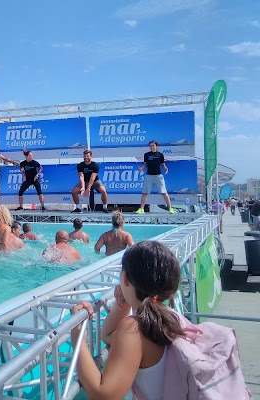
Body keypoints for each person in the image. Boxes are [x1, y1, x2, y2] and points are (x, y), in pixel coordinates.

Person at [70, 241, 184, 400]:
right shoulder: (171, 316)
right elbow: (108, 336)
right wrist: (124, 302)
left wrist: (77, 334)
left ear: (124, 278)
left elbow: (102, 395)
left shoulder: (134, 328)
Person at [136, 140, 174, 214]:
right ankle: (141, 209)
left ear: (156, 146)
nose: (152, 147)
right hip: (149, 176)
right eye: (150, 146)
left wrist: (166, 168)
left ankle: (170, 208)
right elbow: (145, 164)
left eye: (153, 146)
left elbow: (163, 165)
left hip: (158, 176)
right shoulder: (146, 155)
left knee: (164, 192)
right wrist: (141, 168)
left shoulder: (160, 155)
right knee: (145, 193)